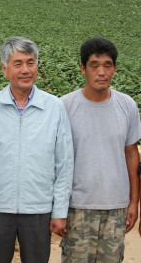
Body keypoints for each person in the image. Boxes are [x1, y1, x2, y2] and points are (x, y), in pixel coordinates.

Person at [0, 37, 74, 263]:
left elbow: (64, 163)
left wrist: (59, 211)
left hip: (38, 208)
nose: (25, 70)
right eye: (17, 64)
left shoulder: (54, 107)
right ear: (4, 68)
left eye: (31, 63)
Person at [60, 37, 141, 262]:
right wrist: (57, 209)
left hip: (116, 207)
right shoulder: (64, 106)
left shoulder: (127, 106)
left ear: (115, 68)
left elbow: (131, 154)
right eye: (94, 65)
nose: (101, 72)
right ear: (83, 69)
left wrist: (134, 202)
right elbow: (55, 160)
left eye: (107, 65)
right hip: (77, 207)